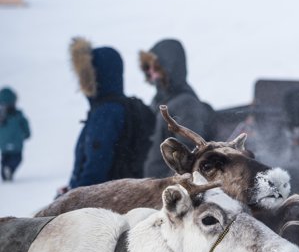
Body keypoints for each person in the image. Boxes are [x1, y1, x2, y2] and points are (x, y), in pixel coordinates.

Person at [139, 38, 215, 178]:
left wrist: (169, 188)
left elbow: (189, 156)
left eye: (155, 67)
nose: (150, 73)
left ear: (169, 67)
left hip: (164, 190)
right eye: (147, 68)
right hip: (149, 187)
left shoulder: (185, 104)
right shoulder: (158, 101)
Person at [65, 38, 128, 190]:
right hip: (118, 197)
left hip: (100, 205)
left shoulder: (106, 113)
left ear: (95, 75)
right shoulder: (122, 107)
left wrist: (70, 199)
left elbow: (95, 170)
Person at [0, 86, 31, 182]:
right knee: (17, 159)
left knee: (5, 159)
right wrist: (27, 134)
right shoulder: (18, 114)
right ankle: (9, 169)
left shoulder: (1, 117)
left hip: (4, 144)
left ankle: (5, 171)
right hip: (16, 143)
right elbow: (25, 125)